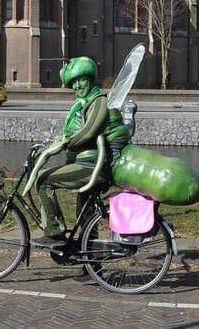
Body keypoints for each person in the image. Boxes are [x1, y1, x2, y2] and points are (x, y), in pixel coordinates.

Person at [31, 56, 131, 247]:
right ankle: (91, 267)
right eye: (73, 83)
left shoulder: (98, 101)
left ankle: (55, 231)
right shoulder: (83, 103)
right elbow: (73, 131)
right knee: (85, 215)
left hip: (92, 165)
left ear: (90, 78)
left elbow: (88, 131)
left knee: (43, 180)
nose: (77, 86)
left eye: (80, 80)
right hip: (86, 163)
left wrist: (65, 144)